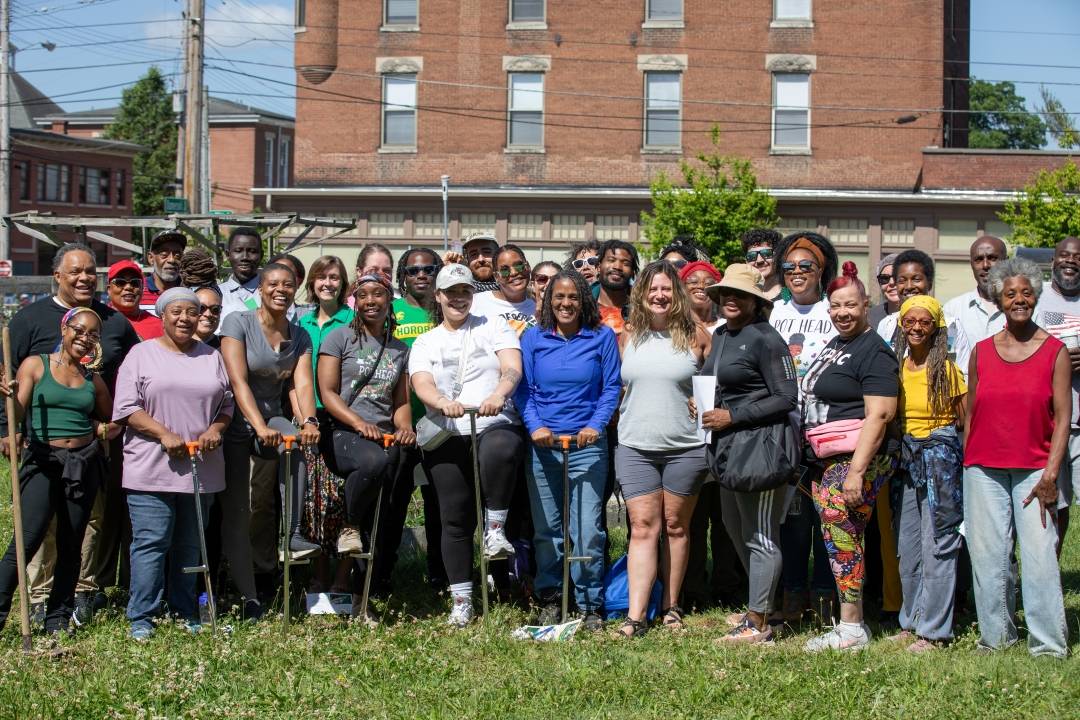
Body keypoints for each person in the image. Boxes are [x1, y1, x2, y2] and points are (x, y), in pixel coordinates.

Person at [3, 243, 139, 626]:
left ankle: (73, 601)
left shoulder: (113, 324)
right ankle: (37, 598)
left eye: (90, 272)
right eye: (75, 271)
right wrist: (7, 430)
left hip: (88, 451)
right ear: (57, 276)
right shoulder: (29, 322)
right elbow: (10, 384)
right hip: (41, 448)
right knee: (34, 533)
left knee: (80, 530)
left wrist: (113, 425)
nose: (83, 278)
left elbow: (133, 378)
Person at [112, 288, 233, 640]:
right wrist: (164, 434)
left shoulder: (212, 356)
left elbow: (226, 406)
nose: (184, 318)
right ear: (162, 317)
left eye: (191, 312)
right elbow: (126, 408)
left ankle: (184, 611)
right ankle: (142, 615)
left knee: (190, 544)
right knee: (151, 541)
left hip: (200, 467)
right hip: (152, 466)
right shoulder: (140, 354)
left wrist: (215, 429)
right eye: (176, 312)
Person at [408, 264, 524, 627]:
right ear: (438, 296)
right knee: (454, 518)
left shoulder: (494, 326)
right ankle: (461, 599)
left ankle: (494, 530)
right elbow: (421, 381)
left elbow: (512, 367)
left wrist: (499, 394)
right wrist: (441, 402)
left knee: (501, 448)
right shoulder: (427, 341)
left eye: (465, 291)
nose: (459, 298)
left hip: (491, 420)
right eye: (451, 292)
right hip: (448, 429)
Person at [964, 258, 1069, 658]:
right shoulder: (981, 351)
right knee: (988, 557)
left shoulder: (1054, 351)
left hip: (1035, 470)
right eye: (1011, 294)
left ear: (1036, 296)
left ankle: (1048, 645)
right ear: (999, 300)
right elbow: (972, 411)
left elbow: (1063, 418)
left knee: (1040, 556)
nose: (1019, 299)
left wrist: (1051, 474)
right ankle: (995, 638)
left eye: (1026, 292)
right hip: (983, 468)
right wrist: (968, 463)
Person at [801, 262, 899, 652]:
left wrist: (857, 472)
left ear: (866, 305)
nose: (843, 313)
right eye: (836, 306)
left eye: (851, 306)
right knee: (839, 537)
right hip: (828, 457)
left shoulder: (874, 350)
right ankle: (849, 623)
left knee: (843, 534)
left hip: (856, 458)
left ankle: (852, 628)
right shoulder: (838, 344)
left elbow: (880, 413)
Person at [696, 265, 798, 644]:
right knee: (735, 527)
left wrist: (732, 415)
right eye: (725, 294)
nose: (731, 300)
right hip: (727, 447)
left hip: (762, 448)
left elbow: (787, 397)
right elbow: (721, 383)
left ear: (757, 301)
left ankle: (758, 624)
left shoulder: (767, 339)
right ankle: (763, 605)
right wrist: (704, 404)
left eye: (740, 295)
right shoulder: (721, 334)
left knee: (761, 536)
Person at [0, 307, 117, 635]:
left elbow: (111, 418)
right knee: (27, 541)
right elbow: (19, 411)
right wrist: (9, 398)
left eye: (93, 334)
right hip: (43, 462)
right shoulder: (36, 365)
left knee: (71, 543)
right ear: (64, 329)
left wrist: (101, 430)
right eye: (79, 330)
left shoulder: (92, 378)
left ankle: (57, 619)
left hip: (82, 464)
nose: (85, 338)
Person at [517, 270, 621, 629]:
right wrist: (536, 427)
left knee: (588, 529)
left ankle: (590, 602)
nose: (565, 304)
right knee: (547, 528)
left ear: (584, 301)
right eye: (558, 297)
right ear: (548, 301)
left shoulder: (602, 337)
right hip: (545, 447)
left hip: (586, 445)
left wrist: (595, 424)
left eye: (573, 297)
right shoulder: (533, 338)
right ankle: (550, 596)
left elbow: (611, 387)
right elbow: (523, 391)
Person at [219, 262, 320, 618]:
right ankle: (242, 591)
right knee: (239, 507)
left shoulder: (300, 335)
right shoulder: (238, 322)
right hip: (234, 420)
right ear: (260, 288)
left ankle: (291, 536)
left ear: (296, 289)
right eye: (273, 284)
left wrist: (308, 420)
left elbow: (301, 383)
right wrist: (257, 425)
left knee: (294, 444)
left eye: (288, 284)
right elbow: (237, 381)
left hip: (273, 418)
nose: (281, 290)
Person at [615, 261, 709, 637]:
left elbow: (713, 389)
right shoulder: (628, 335)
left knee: (675, 526)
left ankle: (671, 608)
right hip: (636, 444)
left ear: (678, 294)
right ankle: (636, 616)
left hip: (685, 447)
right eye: (653, 289)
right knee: (641, 527)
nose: (659, 296)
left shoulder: (698, 335)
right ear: (641, 294)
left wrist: (703, 406)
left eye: (667, 289)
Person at [317, 272, 413, 609]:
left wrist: (405, 427)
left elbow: (399, 402)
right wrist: (358, 422)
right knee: (374, 462)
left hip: (382, 436)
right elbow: (327, 393)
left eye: (378, 294)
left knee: (381, 514)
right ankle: (349, 525)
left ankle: (358, 593)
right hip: (342, 432)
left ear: (390, 301)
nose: (371, 300)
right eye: (364, 295)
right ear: (354, 302)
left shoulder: (399, 348)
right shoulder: (338, 337)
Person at [768, 231, 838, 624]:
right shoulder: (774, 312)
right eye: (789, 267)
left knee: (826, 516)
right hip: (784, 432)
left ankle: (827, 596)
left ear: (821, 269)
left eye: (805, 266)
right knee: (793, 519)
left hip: (827, 430)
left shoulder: (835, 309)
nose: (797, 273)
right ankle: (793, 594)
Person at [890, 295, 966, 653]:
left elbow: (964, 419)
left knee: (939, 544)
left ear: (935, 328)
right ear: (901, 325)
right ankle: (912, 619)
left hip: (939, 461)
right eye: (910, 321)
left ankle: (935, 631)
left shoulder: (946, 371)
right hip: (907, 461)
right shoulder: (896, 366)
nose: (916, 327)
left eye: (924, 322)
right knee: (909, 546)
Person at [375, 247, 445, 591]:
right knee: (393, 504)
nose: (422, 275)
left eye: (430, 269)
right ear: (403, 276)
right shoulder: (392, 312)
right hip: (397, 425)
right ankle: (381, 575)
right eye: (414, 270)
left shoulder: (448, 311)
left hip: (441, 427)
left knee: (439, 507)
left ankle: (440, 576)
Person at [678, 258, 745, 611]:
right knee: (692, 513)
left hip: (725, 429)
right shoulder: (673, 326)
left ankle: (728, 583)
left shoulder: (728, 327)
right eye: (692, 280)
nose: (700, 284)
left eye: (709, 280)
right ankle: (692, 588)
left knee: (725, 514)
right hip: (686, 433)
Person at [295, 256, 354, 587]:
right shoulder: (301, 324)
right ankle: (317, 579)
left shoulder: (353, 321)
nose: (327, 283)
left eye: (334, 277)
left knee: (342, 502)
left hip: (344, 419)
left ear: (342, 284)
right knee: (312, 502)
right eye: (321, 277)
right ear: (312, 284)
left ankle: (343, 579)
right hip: (309, 420)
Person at [1033, 235, 1080, 554]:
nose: (1070, 261)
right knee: (1054, 503)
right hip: (1048, 422)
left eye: (1077, 257)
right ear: (1053, 260)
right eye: (1064, 255)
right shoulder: (1035, 301)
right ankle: (1050, 571)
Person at [875, 250, 971, 371]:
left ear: (929, 283)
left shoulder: (951, 325)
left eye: (916, 279)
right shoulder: (886, 325)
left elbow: (964, 373)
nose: (909, 286)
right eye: (902, 280)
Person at [943, 237, 1007, 357]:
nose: (986, 265)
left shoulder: (1024, 310)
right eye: (978, 259)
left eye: (992, 258)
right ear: (971, 264)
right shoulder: (952, 310)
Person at [470, 244, 537, 336]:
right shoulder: (475, 302)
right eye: (505, 270)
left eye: (519, 266)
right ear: (496, 276)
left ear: (528, 267)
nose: (514, 273)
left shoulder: (538, 309)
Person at [218, 227, 265, 327]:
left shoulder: (271, 293)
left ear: (261, 255)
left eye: (252, 251)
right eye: (238, 251)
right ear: (228, 254)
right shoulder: (216, 293)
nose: (245, 257)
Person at [107, 260, 163, 340]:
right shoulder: (98, 321)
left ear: (142, 288)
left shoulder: (158, 326)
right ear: (109, 289)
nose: (128, 287)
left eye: (135, 283)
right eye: (120, 282)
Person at [594, 239, 638, 338]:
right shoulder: (581, 306)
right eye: (611, 260)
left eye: (626, 263)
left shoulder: (644, 308)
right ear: (598, 267)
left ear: (633, 273)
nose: (617, 267)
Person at [139, 230, 186, 313]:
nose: (171, 260)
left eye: (177, 255)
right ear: (151, 258)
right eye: (164, 254)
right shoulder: (138, 290)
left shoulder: (191, 291)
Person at [679, 260, 723, 334]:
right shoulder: (675, 328)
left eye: (708, 283)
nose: (701, 286)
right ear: (683, 287)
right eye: (694, 282)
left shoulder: (725, 327)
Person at [741, 228, 783, 302]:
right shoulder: (743, 296)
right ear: (746, 261)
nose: (759, 260)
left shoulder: (792, 295)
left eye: (766, 253)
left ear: (778, 256)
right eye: (751, 256)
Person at [868, 253, 900, 330]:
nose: (892, 283)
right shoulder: (869, 317)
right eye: (884, 278)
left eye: (897, 277)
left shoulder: (920, 316)